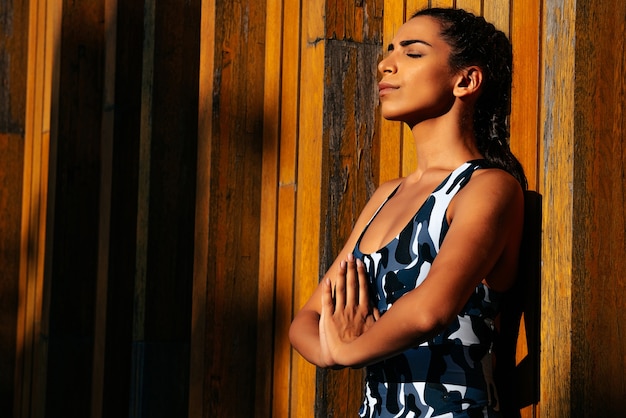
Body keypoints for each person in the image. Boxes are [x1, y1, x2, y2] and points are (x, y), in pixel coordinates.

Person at [289, 7, 527, 418]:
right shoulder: (385, 195)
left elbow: (429, 311)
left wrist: (347, 350)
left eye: (412, 53)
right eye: (389, 50)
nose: (386, 63)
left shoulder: (487, 187)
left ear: (465, 80)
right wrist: (330, 351)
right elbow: (306, 319)